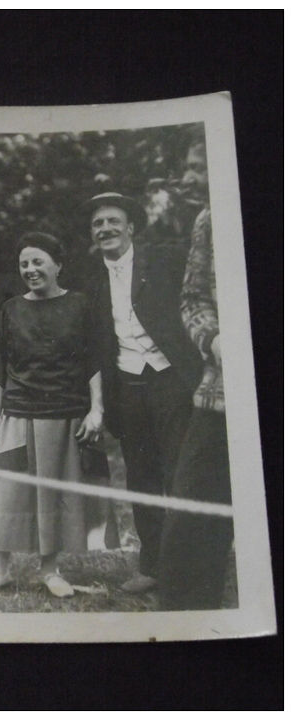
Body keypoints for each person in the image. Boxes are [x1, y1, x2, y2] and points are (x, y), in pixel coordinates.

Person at [0, 233, 111, 598]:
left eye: (38, 262)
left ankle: (51, 570)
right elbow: (0, 368)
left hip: (65, 412)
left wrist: (96, 409)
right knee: (7, 492)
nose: (30, 270)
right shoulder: (11, 309)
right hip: (19, 410)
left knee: (51, 493)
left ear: (58, 265)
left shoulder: (80, 305)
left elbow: (93, 363)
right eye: (24, 264)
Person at [82, 192, 203, 593]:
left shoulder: (165, 260)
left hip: (171, 380)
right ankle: (152, 566)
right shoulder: (92, 278)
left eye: (113, 221)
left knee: (179, 473)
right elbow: (95, 342)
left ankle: (191, 566)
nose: (106, 229)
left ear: (131, 227)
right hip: (128, 386)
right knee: (141, 476)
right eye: (99, 224)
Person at [159, 135, 234, 610]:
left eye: (198, 167)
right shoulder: (207, 221)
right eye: (187, 167)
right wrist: (215, 340)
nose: (188, 178)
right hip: (219, 394)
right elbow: (193, 299)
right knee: (191, 517)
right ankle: (187, 627)